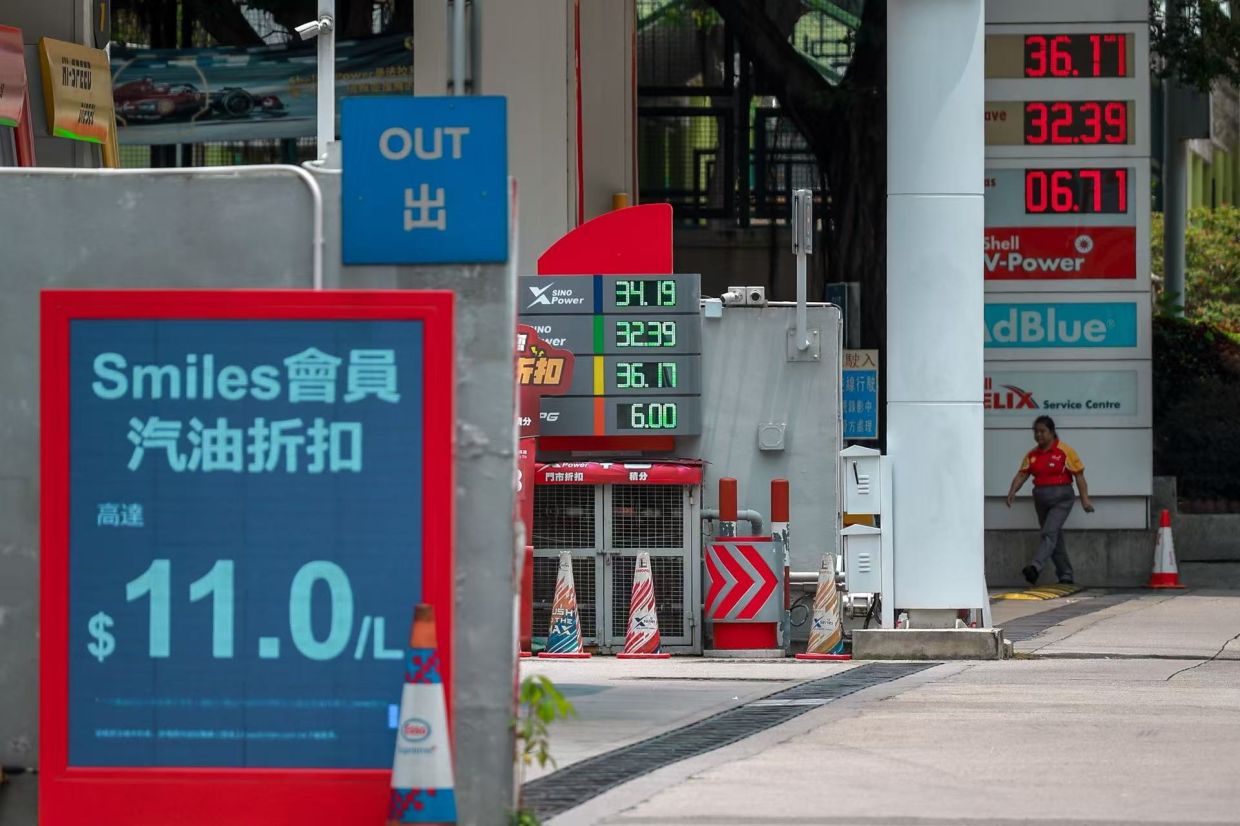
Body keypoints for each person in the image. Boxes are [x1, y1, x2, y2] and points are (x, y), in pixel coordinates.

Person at [1004, 415, 1094, 586]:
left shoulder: (1065, 451)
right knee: (1054, 537)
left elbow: (1079, 476)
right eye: (1036, 432)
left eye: (1043, 431)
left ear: (1052, 432)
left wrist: (1085, 500)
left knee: (1049, 533)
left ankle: (1035, 568)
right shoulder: (1032, 455)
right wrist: (1012, 491)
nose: (1039, 435)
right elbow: (1022, 473)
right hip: (1041, 498)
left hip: (1062, 498)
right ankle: (1065, 575)